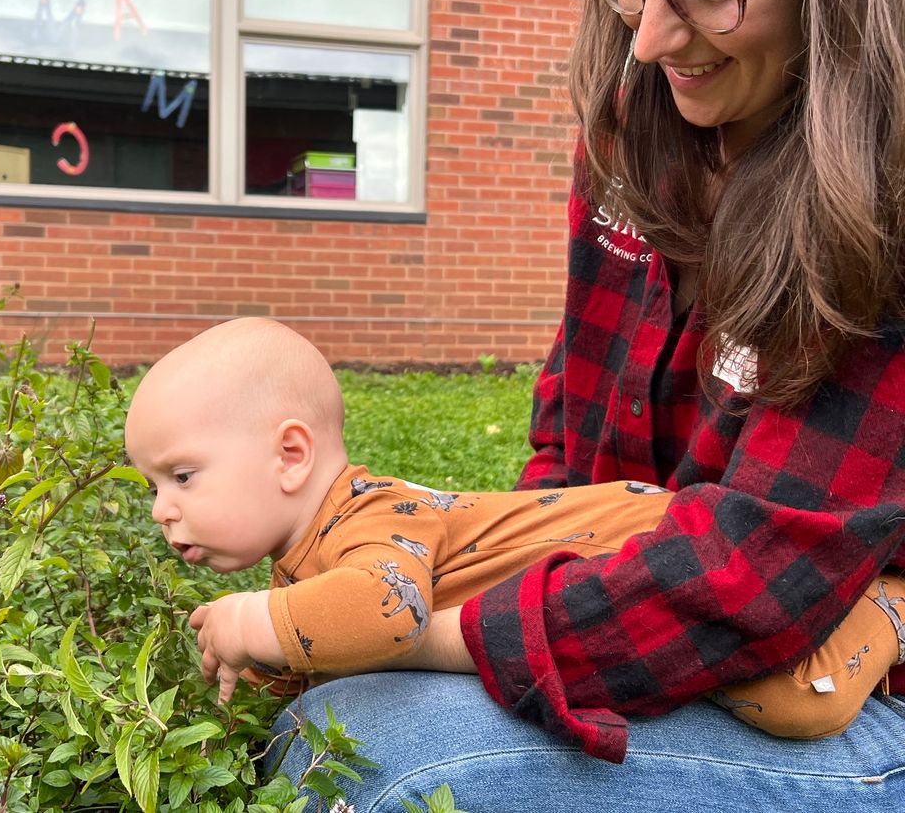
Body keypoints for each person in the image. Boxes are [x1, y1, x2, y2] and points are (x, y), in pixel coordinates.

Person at [266, 0, 905, 809]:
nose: (647, 38)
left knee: (377, 759)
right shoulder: (629, 125)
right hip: (657, 594)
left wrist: (425, 637)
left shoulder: (883, 204)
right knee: (325, 717)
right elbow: (569, 427)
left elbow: (747, 583)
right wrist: (504, 581)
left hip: (826, 672)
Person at [123, 317, 904, 745]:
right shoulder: (302, 563)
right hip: (589, 598)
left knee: (800, 704)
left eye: (183, 476)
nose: (162, 507)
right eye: (154, 485)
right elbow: (314, 659)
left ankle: (886, 605)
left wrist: (253, 623)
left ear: (291, 455)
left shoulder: (374, 516)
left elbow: (387, 614)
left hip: (645, 553)